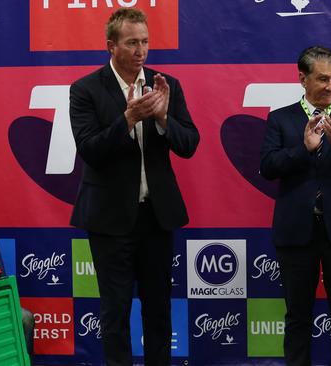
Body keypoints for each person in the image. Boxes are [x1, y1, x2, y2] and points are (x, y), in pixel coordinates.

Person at [69, 8, 200, 366]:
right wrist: (127, 119)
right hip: (110, 220)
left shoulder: (164, 84)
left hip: (156, 217)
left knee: (158, 311)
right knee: (115, 314)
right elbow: (91, 151)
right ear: (111, 46)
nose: (141, 50)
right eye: (131, 43)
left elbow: (189, 143)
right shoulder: (85, 89)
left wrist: (161, 118)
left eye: (144, 41)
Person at [259, 46, 331, 365]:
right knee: (297, 318)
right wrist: (303, 149)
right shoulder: (280, 118)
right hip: (297, 235)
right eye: (323, 78)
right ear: (303, 78)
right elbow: (268, 166)